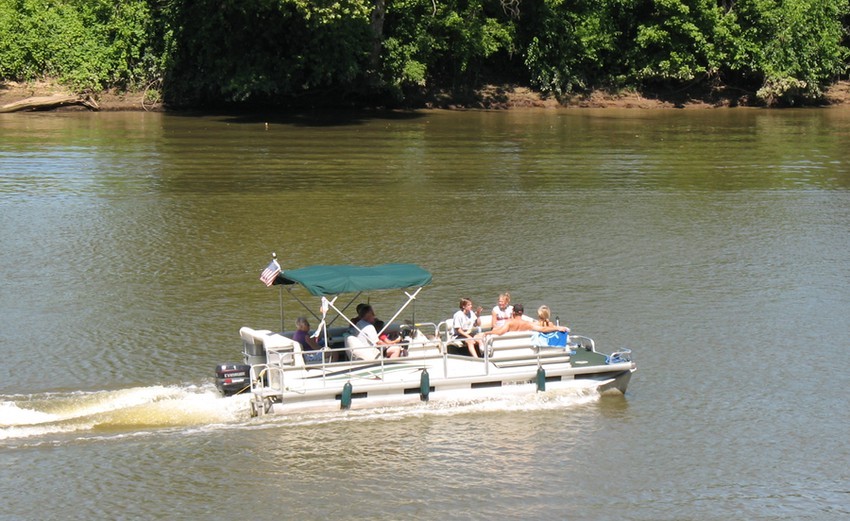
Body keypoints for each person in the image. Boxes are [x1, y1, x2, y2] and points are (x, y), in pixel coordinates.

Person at [477, 303, 568, 338]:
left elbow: (499, 332)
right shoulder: (528, 324)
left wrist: (486, 333)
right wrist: (557, 328)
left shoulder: (509, 323)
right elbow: (543, 329)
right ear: (522, 312)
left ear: (513, 312)